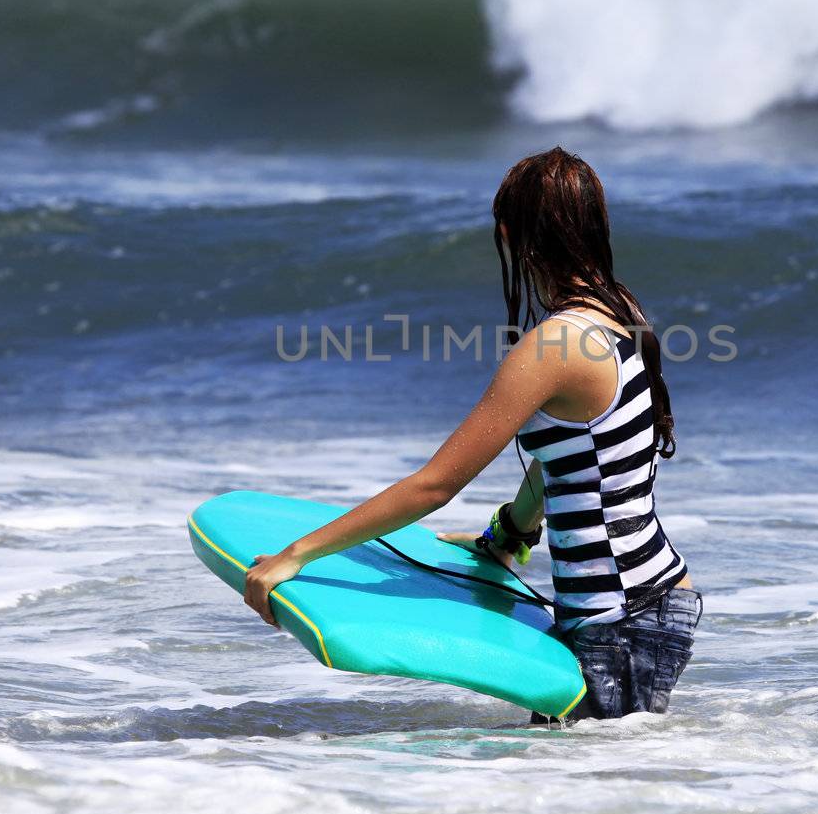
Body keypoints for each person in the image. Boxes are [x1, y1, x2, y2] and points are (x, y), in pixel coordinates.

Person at [241, 146, 701, 720]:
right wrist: (509, 536)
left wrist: (296, 554)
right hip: (647, 603)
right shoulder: (619, 313)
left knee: (587, 791)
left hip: (619, 622)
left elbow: (434, 486)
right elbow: (577, 456)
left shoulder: (556, 345)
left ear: (511, 235)